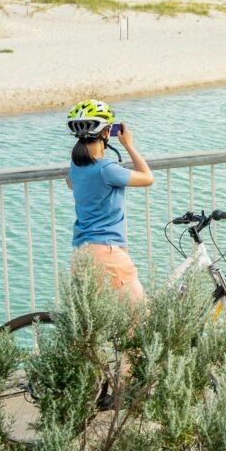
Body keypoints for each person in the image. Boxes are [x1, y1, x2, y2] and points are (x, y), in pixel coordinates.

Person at [65, 99, 154, 306]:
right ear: (106, 133)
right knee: (143, 317)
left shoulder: (76, 167)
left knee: (102, 320)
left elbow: (70, 183)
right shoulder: (107, 169)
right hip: (108, 254)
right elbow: (148, 178)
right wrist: (128, 145)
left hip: (83, 253)